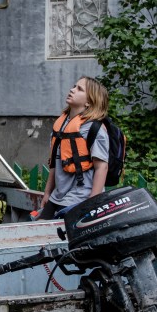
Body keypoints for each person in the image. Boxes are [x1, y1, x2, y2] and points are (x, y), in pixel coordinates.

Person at [38, 76, 110, 220]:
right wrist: (47, 193)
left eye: (79, 89)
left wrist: (93, 204)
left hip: (81, 197)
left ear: (89, 101)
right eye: (74, 86)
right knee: (39, 230)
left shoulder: (94, 128)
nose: (72, 90)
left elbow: (102, 167)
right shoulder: (61, 125)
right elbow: (54, 164)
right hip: (58, 196)